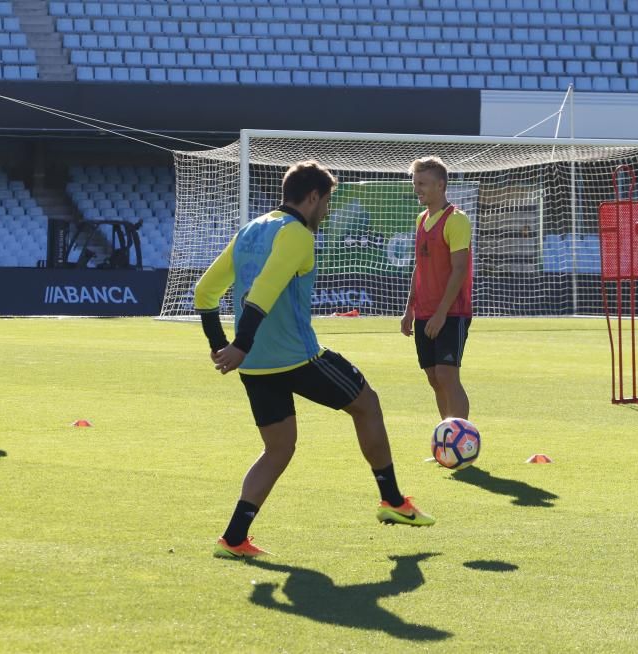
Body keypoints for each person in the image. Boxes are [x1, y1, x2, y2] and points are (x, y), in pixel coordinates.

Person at [194, 160, 435, 559]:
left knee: (279, 448)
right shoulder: (297, 234)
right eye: (326, 202)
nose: (327, 210)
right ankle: (392, 502)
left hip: (255, 366)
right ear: (311, 197)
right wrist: (239, 344)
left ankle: (234, 538)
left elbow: (205, 291)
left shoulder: (251, 229)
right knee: (367, 403)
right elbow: (265, 292)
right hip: (296, 358)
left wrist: (221, 344)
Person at [401, 156, 473, 420]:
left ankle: (462, 442)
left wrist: (441, 313)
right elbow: (419, 268)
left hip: (451, 312)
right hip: (423, 312)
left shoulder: (457, 219)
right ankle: (446, 439)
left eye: (423, 183)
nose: (416, 188)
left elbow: (459, 269)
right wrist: (409, 309)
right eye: (415, 182)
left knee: (446, 375)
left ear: (441, 185)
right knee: (433, 377)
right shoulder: (421, 219)